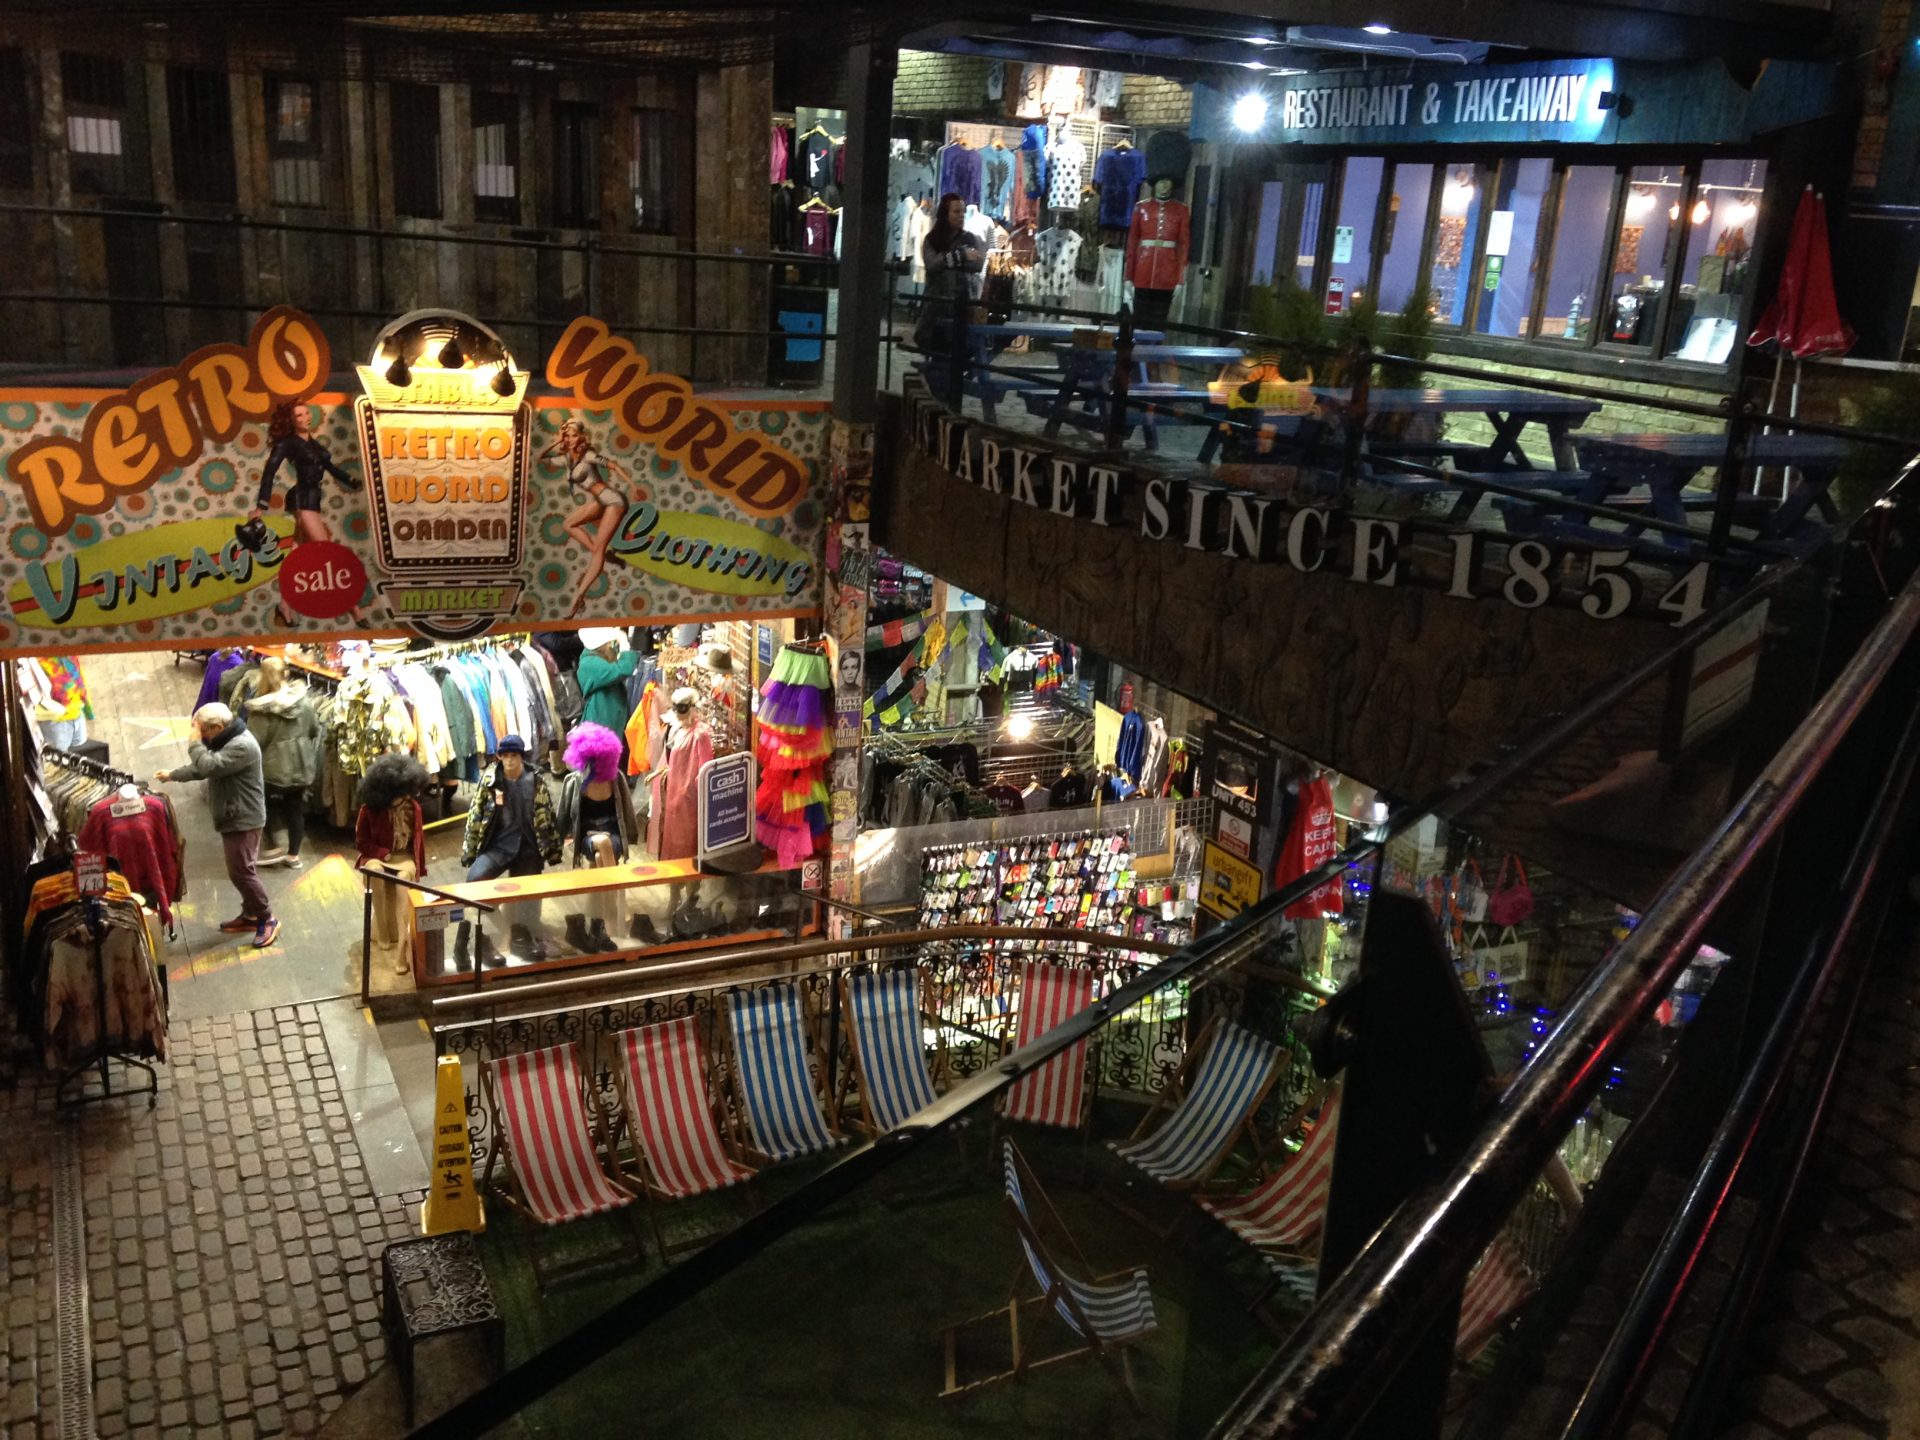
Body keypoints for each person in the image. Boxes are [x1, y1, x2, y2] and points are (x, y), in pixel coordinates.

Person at [154, 702, 277, 948]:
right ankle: (251, 914)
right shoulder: (228, 741)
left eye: (204, 732)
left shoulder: (242, 745)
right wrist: (173, 774)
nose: (203, 737)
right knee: (241, 869)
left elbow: (209, 765)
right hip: (235, 815)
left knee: (242, 871)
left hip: (244, 819)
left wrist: (193, 742)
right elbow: (205, 768)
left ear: (218, 727)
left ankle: (267, 917)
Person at [246, 401, 368, 628]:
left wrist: (352, 481)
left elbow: (330, 469)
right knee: (326, 552)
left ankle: (284, 605)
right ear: (292, 421)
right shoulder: (288, 443)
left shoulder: (312, 444)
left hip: (312, 500)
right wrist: (261, 506)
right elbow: (269, 471)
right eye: (299, 415)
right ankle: (355, 609)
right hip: (301, 500)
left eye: (306, 413)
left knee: (295, 557)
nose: (305, 417)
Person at [457, 735, 562, 967]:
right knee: (475, 881)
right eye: (505, 756)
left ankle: (524, 935)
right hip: (499, 846)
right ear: (499, 757)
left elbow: (547, 815)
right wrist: (470, 850)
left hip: (527, 845)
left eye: (513, 755)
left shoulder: (535, 781)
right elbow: (475, 816)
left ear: (521, 756)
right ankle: (506, 928)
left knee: (529, 896)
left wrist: (553, 849)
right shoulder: (490, 781)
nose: (509, 760)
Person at [560, 721, 639, 954]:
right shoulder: (574, 782)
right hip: (588, 836)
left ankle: (599, 920)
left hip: (611, 833)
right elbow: (563, 815)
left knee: (600, 854)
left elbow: (627, 812)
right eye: (590, 759)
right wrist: (557, 841)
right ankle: (614, 910)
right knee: (600, 844)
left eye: (599, 759)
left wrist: (630, 838)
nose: (594, 765)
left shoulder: (616, 780)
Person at [540, 420, 632, 618]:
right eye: (567, 436)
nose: (570, 439)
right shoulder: (566, 459)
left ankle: (578, 597)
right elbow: (541, 458)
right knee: (568, 524)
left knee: (598, 549)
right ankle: (605, 556)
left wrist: (633, 486)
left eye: (573, 435)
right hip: (601, 500)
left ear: (580, 437)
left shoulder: (588, 455)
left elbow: (613, 466)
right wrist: (556, 443)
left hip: (613, 500)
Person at [241, 655, 322, 868]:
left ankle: (271, 846)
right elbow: (314, 730)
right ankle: (293, 855)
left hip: (272, 768)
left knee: (263, 804)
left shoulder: (261, 709)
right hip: (302, 765)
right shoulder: (304, 701)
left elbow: (255, 742)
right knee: (294, 808)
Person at [354, 754, 430, 976]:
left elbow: (418, 842)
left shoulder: (413, 807)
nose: (406, 796)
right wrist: (381, 854)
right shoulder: (369, 809)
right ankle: (384, 931)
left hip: (403, 856)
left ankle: (402, 948)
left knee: (402, 882)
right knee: (375, 874)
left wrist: (417, 865)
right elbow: (361, 842)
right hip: (377, 856)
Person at [912, 192, 986, 353]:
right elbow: (932, 265)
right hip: (936, 311)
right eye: (956, 212)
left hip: (963, 308)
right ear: (945, 214)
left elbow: (977, 264)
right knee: (938, 356)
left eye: (963, 212)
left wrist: (949, 260)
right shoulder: (932, 240)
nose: (961, 216)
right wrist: (961, 256)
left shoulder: (969, 239)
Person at [577, 627, 641, 766]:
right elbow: (624, 669)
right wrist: (624, 643)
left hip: (605, 720)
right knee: (600, 767)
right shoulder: (589, 663)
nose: (609, 645)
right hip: (600, 721)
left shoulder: (595, 658)